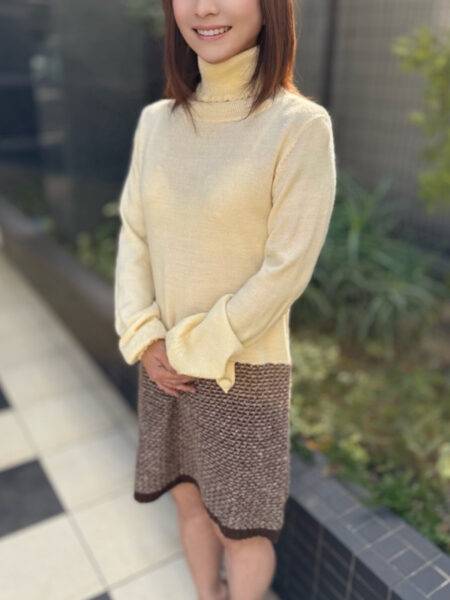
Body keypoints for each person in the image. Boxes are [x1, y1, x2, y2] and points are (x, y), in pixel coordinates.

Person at [114, 1, 337, 598]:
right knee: (188, 503)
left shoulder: (298, 126)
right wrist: (145, 336)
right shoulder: (157, 123)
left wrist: (190, 347)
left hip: (244, 370)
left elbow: (287, 268)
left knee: (241, 529)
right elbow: (134, 236)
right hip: (164, 366)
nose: (204, 7)